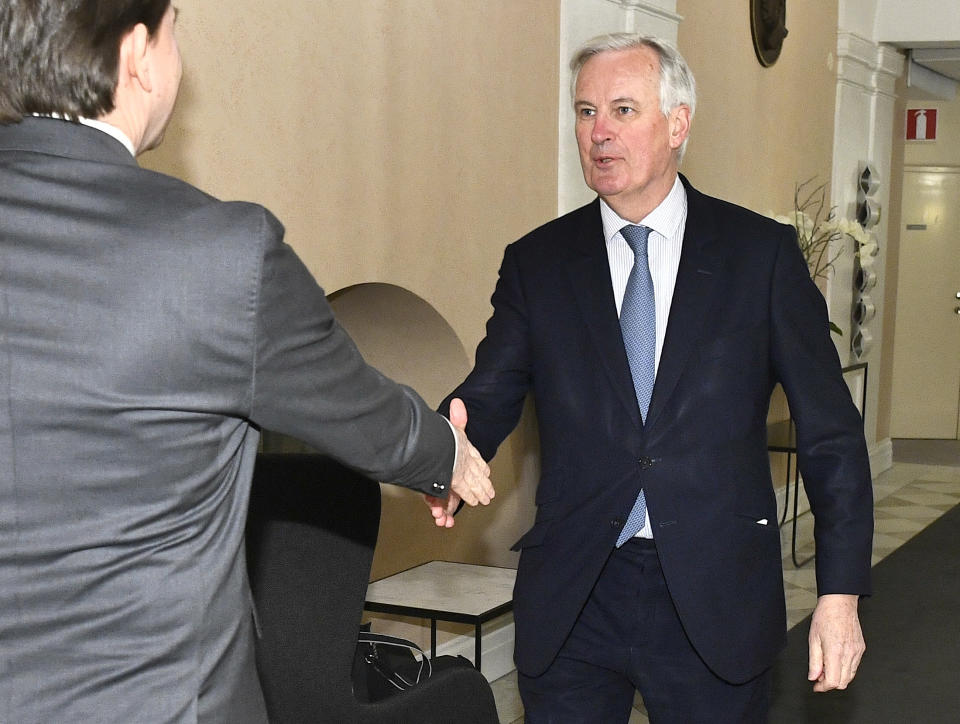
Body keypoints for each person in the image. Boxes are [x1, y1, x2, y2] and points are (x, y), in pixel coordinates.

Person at [0, 2, 494, 722]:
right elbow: (358, 410)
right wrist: (445, 455)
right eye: (175, 31)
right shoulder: (217, 255)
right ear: (138, 55)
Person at [426, 33, 873, 723]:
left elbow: (830, 434)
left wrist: (838, 595)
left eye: (622, 110)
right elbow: (488, 394)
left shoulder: (760, 258)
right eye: (584, 112)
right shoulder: (537, 263)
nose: (597, 132)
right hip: (577, 594)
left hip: (715, 596)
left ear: (678, 123)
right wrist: (440, 450)